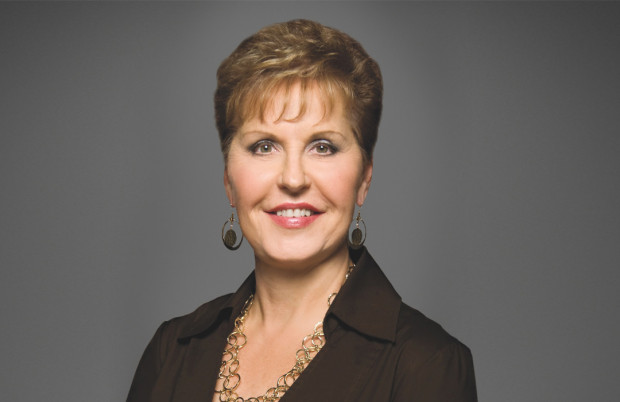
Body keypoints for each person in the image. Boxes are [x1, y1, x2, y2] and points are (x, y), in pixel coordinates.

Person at [127, 19, 477, 402]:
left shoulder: (427, 363)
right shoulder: (172, 350)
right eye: (264, 146)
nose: (293, 179)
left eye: (323, 147)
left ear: (364, 178)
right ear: (229, 180)